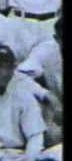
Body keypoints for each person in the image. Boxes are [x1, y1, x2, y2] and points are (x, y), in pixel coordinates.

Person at [19, 18, 63, 146]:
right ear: (56, 38)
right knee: (52, 136)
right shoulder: (46, 50)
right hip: (57, 106)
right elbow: (20, 76)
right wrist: (46, 94)